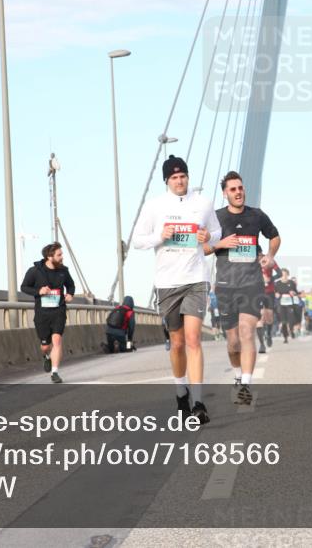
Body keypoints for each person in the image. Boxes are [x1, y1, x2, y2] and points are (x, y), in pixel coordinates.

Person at [132, 155, 220, 423]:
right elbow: (137, 240)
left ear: (188, 178)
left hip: (196, 278)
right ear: (167, 180)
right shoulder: (155, 206)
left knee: (193, 340)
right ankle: (180, 390)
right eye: (174, 177)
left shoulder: (203, 203)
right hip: (167, 283)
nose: (179, 181)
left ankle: (199, 403)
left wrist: (208, 237)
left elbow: (216, 232)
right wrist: (161, 236)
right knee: (178, 343)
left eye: (183, 176)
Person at [204, 171, 279, 405]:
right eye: (233, 189)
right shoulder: (215, 218)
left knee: (247, 332)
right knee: (233, 341)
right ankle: (237, 374)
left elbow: (274, 236)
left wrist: (270, 254)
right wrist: (220, 244)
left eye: (240, 188)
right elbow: (202, 247)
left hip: (251, 283)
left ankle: (246, 384)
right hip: (226, 287)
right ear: (225, 193)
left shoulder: (257, 215)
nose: (238, 192)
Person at [20, 242, 75, 383]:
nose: (62, 257)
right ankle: (46, 356)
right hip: (42, 313)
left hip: (59, 310)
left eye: (61, 254)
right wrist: (39, 291)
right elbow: (24, 287)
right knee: (45, 346)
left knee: (57, 340)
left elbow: (70, 285)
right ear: (49, 257)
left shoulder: (63, 270)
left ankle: (55, 372)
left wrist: (70, 294)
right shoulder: (35, 271)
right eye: (59, 254)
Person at [259, 260, 281, 352]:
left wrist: (270, 278)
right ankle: (261, 344)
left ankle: (268, 334)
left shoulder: (270, 261)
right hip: (257, 293)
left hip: (269, 293)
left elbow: (279, 273)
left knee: (269, 317)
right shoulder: (250, 261)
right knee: (260, 317)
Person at [273, 268, 299, 344]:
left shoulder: (291, 283)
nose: (284, 276)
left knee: (291, 319)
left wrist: (293, 293)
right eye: (282, 275)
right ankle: (285, 337)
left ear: (288, 275)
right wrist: (276, 294)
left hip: (290, 303)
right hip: (281, 304)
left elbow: (296, 292)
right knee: (284, 321)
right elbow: (274, 292)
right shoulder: (277, 283)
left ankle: (291, 330)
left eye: (285, 275)